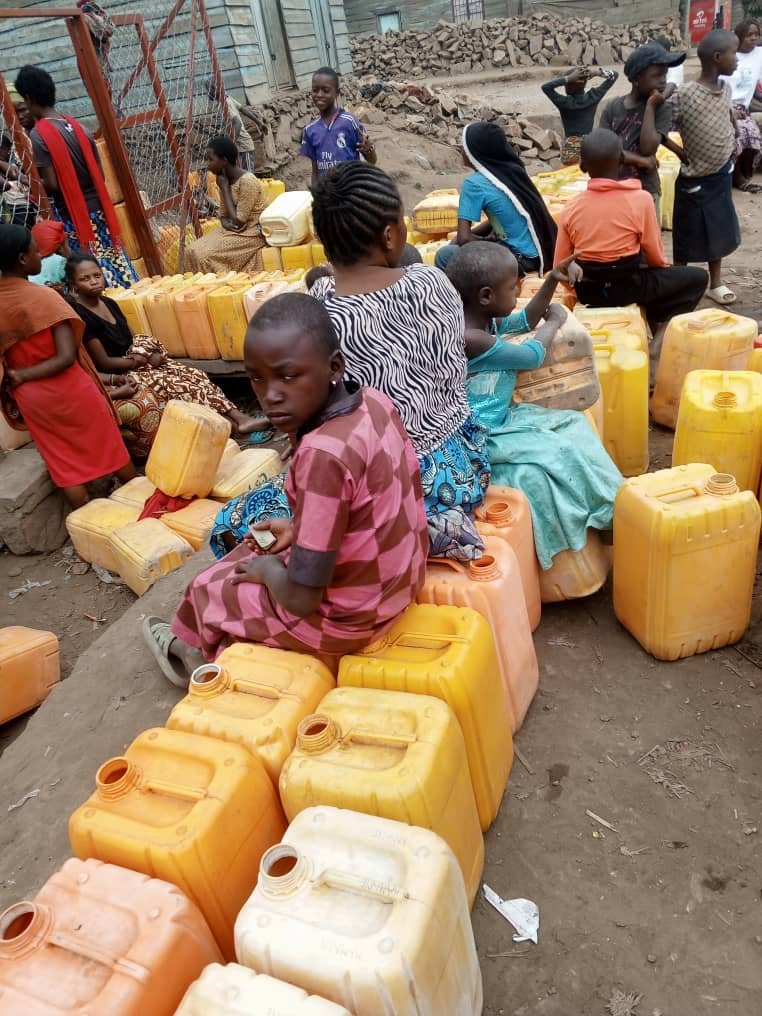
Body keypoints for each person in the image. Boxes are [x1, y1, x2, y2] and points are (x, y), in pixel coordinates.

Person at [142, 292, 428, 687]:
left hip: (354, 617)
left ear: (333, 367)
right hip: (403, 580)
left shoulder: (322, 456)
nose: (270, 393)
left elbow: (302, 599)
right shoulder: (374, 403)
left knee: (212, 587)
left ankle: (194, 656)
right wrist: (300, 528)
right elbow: (376, 504)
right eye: (257, 377)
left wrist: (272, 573)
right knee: (251, 546)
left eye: (288, 376)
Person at [212, 162, 491, 562]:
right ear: (391, 234)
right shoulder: (434, 281)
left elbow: (317, 428)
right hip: (463, 461)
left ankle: (405, 532)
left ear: (324, 245)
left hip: (392, 483)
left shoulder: (323, 317)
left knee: (234, 521)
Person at [447, 241, 622, 570]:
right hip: (480, 434)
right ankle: (605, 516)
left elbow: (525, 320)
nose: (516, 295)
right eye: (512, 289)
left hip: (505, 417)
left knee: (574, 425)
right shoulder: (471, 337)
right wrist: (554, 322)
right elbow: (531, 356)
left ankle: (612, 506)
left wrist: (552, 280)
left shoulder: (484, 321)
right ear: (486, 296)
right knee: (556, 452)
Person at [0, 225, 135, 507]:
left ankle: (91, 522)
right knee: (111, 448)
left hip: (32, 398)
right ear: (23, 259)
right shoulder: (46, 298)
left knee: (64, 463)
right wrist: (23, 374)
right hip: (70, 389)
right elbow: (65, 357)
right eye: (36, 251)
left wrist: (18, 376)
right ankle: (139, 503)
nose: (41, 256)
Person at [66, 252, 266, 435]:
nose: (93, 282)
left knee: (194, 375)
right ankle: (224, 424)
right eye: (85, 279)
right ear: (74, 284)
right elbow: (105, 362)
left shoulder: (109, 303)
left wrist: (148, 355)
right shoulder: (82, 316)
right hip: (124, 372)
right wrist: (140, 362)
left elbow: (134, 337)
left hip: (139, 360)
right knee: (178, 385)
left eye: (96, 275)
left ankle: (239, 418)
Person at [554, 129, 708, 333]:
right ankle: (660, 332)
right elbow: (656, 258)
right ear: (622, 161)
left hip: (588, 292)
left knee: (647, 276)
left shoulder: (570, 208)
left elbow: (560, 265)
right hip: (630, 289)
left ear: (582, 166)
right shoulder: (641, 199)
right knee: (697, 278)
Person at [14, 65, 137, 289]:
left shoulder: (39, 134)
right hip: (98, 208)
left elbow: (51, 185)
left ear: (29, 99)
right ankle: (132, 295)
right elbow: (99, 174)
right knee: (114, 259)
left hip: (75, 215)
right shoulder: (78, 125)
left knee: (87, 268)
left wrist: (26, 181)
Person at [668, 29, 740, 305]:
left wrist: (733, 134)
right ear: (718, 57)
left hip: (721, 174)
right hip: (694, 177)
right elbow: (661, 129)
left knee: (718, 230)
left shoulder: (726, 89)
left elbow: (728, 112)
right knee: (686, 233)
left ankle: (716, 282)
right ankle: (678, 283)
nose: (737, 60)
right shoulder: (686, 94)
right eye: (733, 54)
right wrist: (680, 153)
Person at [434, 121, 557, 275]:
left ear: (475, 151)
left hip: (518, 259)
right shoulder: (511, 171)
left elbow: (464, 238)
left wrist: (476, 239)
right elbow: (505, 217)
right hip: (539, 253)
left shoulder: (474, 184)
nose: (461, 150)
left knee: (445, 255)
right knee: (455, 244)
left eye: (464, 146)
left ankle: (455, 297)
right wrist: (480, 237)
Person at [599, 42, 686, 211]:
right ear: (637, 79)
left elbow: (648, 148)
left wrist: (650, 107)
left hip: (646, 191)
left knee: (648, 237)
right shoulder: (612, 108)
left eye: (665, 75)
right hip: (614, 189)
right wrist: (639, 160)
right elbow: (603, 151)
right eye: (657, 75)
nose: (663, 81)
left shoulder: (661, 108)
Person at [185, 136, 268, 274]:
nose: (208, 164)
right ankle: (198, 288)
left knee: (204, 256)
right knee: (190, 251)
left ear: (224, 161)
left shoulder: (247, 181)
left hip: (253, 232)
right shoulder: (224, 179)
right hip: (234, 230)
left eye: (211, 159)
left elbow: (239, 222)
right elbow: (223, 216)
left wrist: (224, 189)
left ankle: (216, 287)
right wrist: (226, 222)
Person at [300, 67, 377, 185]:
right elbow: (315, 172)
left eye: (326, 90)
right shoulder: (310, 130)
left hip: (351, 191)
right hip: (328, 195)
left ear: (337, 93)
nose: (319, 95)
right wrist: (316, 196)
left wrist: (370, 151)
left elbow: (372, 161)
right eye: (315, 90)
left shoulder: (350, 122)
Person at [541, 66, 619, 164]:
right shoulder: (593, 97)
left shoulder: (564, 103)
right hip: (589, 149)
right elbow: (615, 75)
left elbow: (546, 87)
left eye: (566, 85)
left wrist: (568, 78)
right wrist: (596, 72)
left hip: (570, 151)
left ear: (569, 85)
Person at [720, 18, 762, 191]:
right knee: (741, 132)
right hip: (725, 104)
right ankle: (736, 177)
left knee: (751, 133)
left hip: (743, 107)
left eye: (756, 34)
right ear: (739, 37)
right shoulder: (730, 55)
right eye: (749, 35)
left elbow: (756, 89)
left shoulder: (759, 55)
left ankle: (745, 174)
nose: (753, 38)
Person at [206, 79, 256, 172]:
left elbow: (238, 123)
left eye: (209, 89)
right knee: (243, 174)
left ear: (217, 88)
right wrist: (259, 122)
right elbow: (242, 109)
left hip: (243, 145)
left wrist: (230, 144)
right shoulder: (227, 98)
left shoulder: (225, 104)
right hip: (239, 146)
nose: (208, 93)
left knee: (249, 175)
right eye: (207, 90)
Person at [29, 219, 70, 289]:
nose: (69, 249)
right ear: (60, 249)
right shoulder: (61, 262)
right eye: (67, 245)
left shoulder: (31, 265)